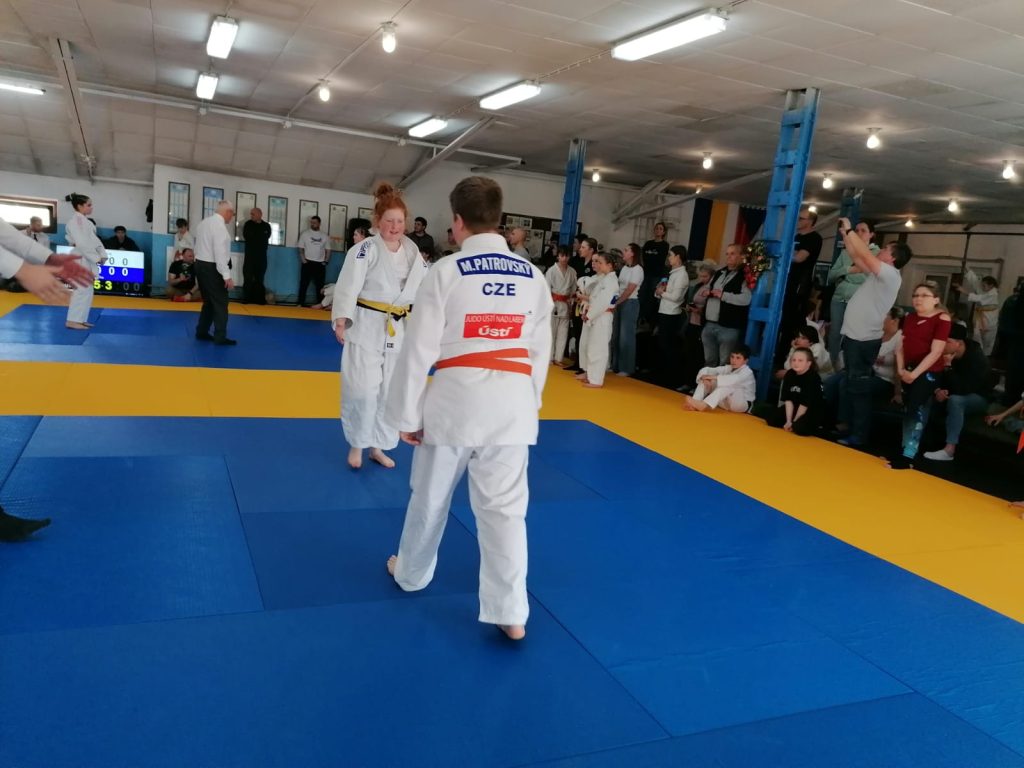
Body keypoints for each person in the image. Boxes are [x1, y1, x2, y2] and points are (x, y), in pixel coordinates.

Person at [384, 175, 553, 641]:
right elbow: (539, 352)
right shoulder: (533, 276)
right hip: (512, 405)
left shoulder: (446, 271)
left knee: (431, 497)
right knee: (505, 512)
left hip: (455, 403)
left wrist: (407, 416)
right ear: (499, 220)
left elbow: (418, 350)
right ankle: (510, 611)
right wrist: (529, 403)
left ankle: (411, 573)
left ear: (457, 222)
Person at [332, 183, 429, 470]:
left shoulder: (413, 253)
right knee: (362, 389)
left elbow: (424, 291)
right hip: (366, 326)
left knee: (390, 391)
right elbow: (348, 286)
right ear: (378, 221)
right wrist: (341, 320)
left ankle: (378, 446)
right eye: (389, 220)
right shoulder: (364, 250)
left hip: (399, 329)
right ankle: (357, 445)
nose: (395, 226)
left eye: (399, 221)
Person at [835, 217, 913, 449]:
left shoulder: (890, 274)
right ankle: (848, 428)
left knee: (858, 389)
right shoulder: (881, 273)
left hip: (863, 340)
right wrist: (846, 236)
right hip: (855, 337)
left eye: (886, 249)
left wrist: (851, 230)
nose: (881, 250)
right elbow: (857, 256)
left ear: (892, 258)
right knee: (851, 385)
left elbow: (865, 255)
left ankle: (858, 436)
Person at [890, 281, 951, 469]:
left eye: (924, 295)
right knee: (909, 408)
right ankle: (905, 447)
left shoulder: (942, 318)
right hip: (908, 368)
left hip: (927, 371)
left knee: (916, 409)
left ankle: (909, 454)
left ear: (936, 299)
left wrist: (915, 374)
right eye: (916, 295)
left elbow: (936, 351)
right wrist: (901, 369)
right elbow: (900, 345)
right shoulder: (909, 317)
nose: (918, 299)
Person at [922, 322, 992, 462]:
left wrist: (948, 367)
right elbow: (933, 377)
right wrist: (938, 390)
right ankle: (915, 439)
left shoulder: (976, 359)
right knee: (926, 395)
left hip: (978, 397)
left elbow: (964, 389)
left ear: (959, 343)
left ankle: (949, 450)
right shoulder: (942, 353)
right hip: (952, 392)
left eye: (947, 341)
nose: (943, 345)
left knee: (956, 401)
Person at [0, 216, 93, 303]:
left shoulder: (45, 237)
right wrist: (24, 271)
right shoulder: (22, 233)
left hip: (34, 268)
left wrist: (50, 257)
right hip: (18, 267)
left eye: (41, 224)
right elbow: (12, 247)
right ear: (31, 224)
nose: (41, 226)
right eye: (38, 224)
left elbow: (16, 240)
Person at [827, 220, 878, 368]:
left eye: (863, 230)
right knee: (835, 333)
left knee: (853, 334)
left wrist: (846, 275)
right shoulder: (845, 252)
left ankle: (849, 366)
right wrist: (848, 270)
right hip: (839, 298)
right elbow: (831, 275)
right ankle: (832, 364)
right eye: (856, 230)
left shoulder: (876, 253)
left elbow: (869, 277)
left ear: (872, 234)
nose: (859, 233)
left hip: (859, 300)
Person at [194, 200, 237, 345]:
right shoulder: (219, 227)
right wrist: (227, 276)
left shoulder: (203, 223)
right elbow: (220, 253)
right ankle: (220, 337)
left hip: (200, 264)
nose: (232, 217)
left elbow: (197, 246)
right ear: (228, 212)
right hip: (212, 268)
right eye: (232, 214)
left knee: (209, 302)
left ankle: (202, 331)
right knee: (220, 303)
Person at [63, 193, 109, 330]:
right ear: (79, 206)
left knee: (87, 290)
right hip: (80, 258)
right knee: (81, 289)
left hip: (86, 258)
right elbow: (82, 243)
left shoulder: (86, 222)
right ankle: (72, 320)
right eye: (88, 205)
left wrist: (102, 254)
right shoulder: (75, 222)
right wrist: (96, 257)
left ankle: (81, 319)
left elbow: (95, 241)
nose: (91, 207)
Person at [701, 244, 751, 366]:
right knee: (709, 361)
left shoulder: (745, 275)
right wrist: (707, 291)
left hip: (729, 327)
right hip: (710, 323)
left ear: (742, 256)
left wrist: (723, 295)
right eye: (727, 253)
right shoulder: (719, 272)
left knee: (725, 363)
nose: (729, 256)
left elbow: (746, 299)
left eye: (732, 253)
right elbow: (708, 287)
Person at [780, 208, 823, 344]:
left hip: (799, 285)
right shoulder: (796, 237)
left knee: (792, 320)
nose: (797, 221)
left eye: (801, 218)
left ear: (810, 221)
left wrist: (786, 253)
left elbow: (799, 258)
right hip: (786, 282)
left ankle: (789, 348)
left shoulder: (814, 238)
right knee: (782, 318)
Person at [577, 252, 618, 388]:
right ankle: (591, 376)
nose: (598, 265)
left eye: (601, 263)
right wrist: (588, 312)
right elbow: (595, 299)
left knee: (599, 348)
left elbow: (602, 302)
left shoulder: (611, 282)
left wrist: (589, 315)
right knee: (593, 347)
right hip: (598, 316)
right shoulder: (605, 279)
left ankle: (596, 380)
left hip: (603, 317)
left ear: (609, 265)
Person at [766, 347, 824, 435]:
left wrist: (794, 422)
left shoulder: (813, 378)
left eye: (800, 361)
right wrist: (789, 421)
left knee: (798, 428)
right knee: (772, 419)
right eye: (794, 360)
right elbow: (788, 399)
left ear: (808, 363)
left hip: (811, 409)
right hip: (795, 406)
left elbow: (805, 404)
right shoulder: (790, 374)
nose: (796, 363)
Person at [655, 245, 689, 388]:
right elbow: (659, 290)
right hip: (664, 310)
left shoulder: (682, 275)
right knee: (662, 344)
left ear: (678, 257)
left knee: (669, 346)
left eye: (671, 255)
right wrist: (659, 292)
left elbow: (676, 297)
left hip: (671, 313)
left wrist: (662, 293)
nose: (668, 258)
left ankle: (673, 378)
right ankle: (665, 375)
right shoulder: (671, 273)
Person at [685, 344, 756, 412]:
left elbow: (734, 379)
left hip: (741, 405)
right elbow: (707, 370)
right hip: (725, 404)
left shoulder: (747, 372)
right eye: (732, 357)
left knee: (728, 384)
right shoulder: (728, 368)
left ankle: (703, 405)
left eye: (738, 358)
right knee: (705, 380)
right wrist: (705, 378)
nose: (734, 360)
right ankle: (694, 403)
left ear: (745, 361)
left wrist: (712, 377)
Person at [611, 243, 644, 377]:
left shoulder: (638, 270)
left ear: (632, 253)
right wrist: (613, 303)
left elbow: (629, 290)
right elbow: (618, 287)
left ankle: (627, 367)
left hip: (630, 302)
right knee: (616, 335)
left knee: (626, 336)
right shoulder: (625, 268)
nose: (623, 252)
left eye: (626, 250)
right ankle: (615, 365)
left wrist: (616, 303)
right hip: (619, 301)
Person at [953, 270, 1000, 355]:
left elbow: (979, 298)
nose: (982, 287)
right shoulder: (983, 289)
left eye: (984, 285)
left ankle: (986, 355)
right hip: (980, 316)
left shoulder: (993, 294)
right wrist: (966, 269)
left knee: (987, 340)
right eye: (982, 285)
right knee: (977, 336)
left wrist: (963, 290)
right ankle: (977, 353)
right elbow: (975, 281)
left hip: (989, 319)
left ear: (991, 285)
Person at [546, 244, 577, 365]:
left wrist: (571, 300)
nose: (564, 258)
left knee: (563, 333)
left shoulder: (572, 271)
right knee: (551, 333)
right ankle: (549, 357)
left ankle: (558, 358)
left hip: (565, 305)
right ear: (558, 256)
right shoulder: (551, 271)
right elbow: (546, 289)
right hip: (553, 304)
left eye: (566, 256)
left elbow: (573, 289)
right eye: (562, 255)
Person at [639, 221, 669, 326]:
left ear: (664, 232)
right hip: (645, 274)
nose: (658, 230)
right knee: (642, 295)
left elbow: (664, 261)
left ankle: (648, 320)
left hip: (656, 275)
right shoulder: (648, 243)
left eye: (660, 229)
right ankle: (640, 317)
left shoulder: (665, 245)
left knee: (651, 297)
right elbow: (642, 256)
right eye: (656, 228)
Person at [296, 215, 330, 307]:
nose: (312, 224)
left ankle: (320, 304)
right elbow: (300, 248)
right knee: (304, 284)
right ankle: (300, 303)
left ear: (319, 223)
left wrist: (326, 261)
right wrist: (303, 260)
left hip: (320, 264)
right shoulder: (305, 234)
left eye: (314, 222)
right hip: (307, 262)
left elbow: (328, 249)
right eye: (311, 222)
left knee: (320, 285)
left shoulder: (324, 236)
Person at [242, 207, 272, 304]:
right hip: (250, 257)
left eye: (253, 214)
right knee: (248, 278)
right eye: (251, 214)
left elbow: (266, 237)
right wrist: (258, 237)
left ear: (260, 214)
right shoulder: (248, 224)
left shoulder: (266, 226)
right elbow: (248, 237)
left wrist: (257, 237)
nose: (251, 216)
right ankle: (247, 299)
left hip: (261, 257)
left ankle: (259, 299)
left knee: (260, 278)